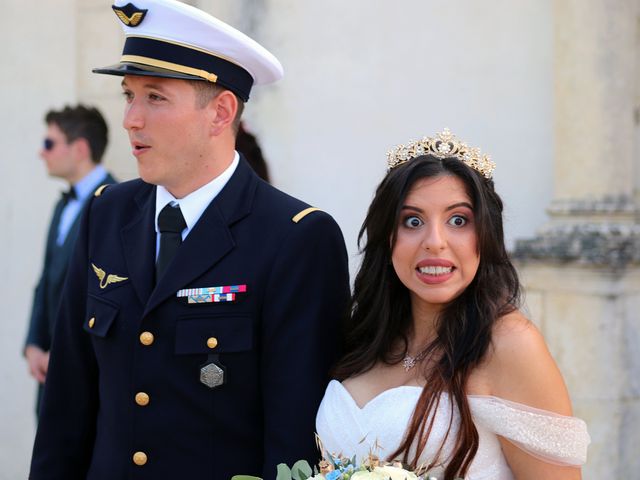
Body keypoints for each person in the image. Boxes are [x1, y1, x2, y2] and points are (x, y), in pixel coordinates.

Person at [29, 1, 350, 479]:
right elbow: (66, 411)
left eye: (155, 97)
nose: (131, 120)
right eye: (128, 95)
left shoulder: (296, 238)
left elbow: (294, 442)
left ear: (220, 112)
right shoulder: (106, 212)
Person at [316, 129, 590, 479]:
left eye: (458, 220)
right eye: (412, 221)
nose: (435, 242)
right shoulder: (363, 336)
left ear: (485, 236)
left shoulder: (509, 344)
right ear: (388, 238)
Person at [24, 104, 115, 417]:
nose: (41, 152)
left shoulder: (118, 204)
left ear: (79, 149)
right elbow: (47, 279)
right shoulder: (62, 206)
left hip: (89, 376)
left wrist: (65, 354)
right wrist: (34, 344)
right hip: (49, 372)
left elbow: (108, 294)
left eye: (49, 143)